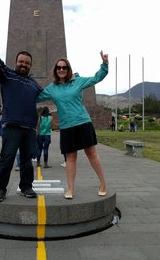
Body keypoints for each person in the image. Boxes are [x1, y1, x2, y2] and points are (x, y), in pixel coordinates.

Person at [37, 51, 109, 199]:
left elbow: (96, 78)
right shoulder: (52, 88)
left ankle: (103, 183)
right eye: (59, 68)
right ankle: (70, 189)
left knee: (92, 154)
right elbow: (36, 96)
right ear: (56, 70)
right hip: (66, 127)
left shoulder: (78, 81)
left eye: (64, 67)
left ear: (68, 69)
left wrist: (104, 65)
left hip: (82, 122)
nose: (61, 70)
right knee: (70, 158)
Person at [0, 32, 43, 202]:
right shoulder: (7, 75)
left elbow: (47, 94)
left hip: (29, 129)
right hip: (12, 127)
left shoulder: (33, 84)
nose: (24, 64)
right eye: (21, 62)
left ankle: (26, 187)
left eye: (27, 63)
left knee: (26, 160)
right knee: (7, 159)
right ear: (16, 62)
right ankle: (0, 190)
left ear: (30, 65)